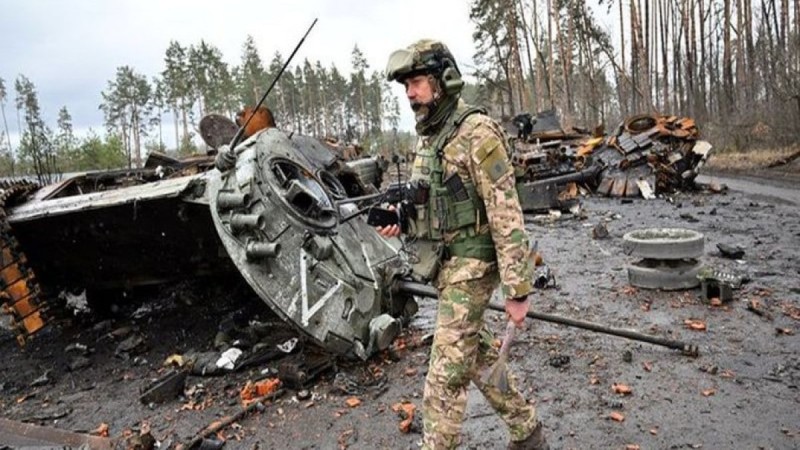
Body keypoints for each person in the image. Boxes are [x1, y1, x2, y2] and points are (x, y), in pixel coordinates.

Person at [379, 39, 549, 450]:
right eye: (406, 86)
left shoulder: (477, 132)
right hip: (445, 265)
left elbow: (507, 214)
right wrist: (399, 218)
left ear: (443, 81)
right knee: (477, 354)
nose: (410, 93)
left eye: (417, 82)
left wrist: (517, 290)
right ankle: (527, 430)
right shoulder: (428, 137)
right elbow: (430, 201)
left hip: (473, 264)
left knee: (444, 378)